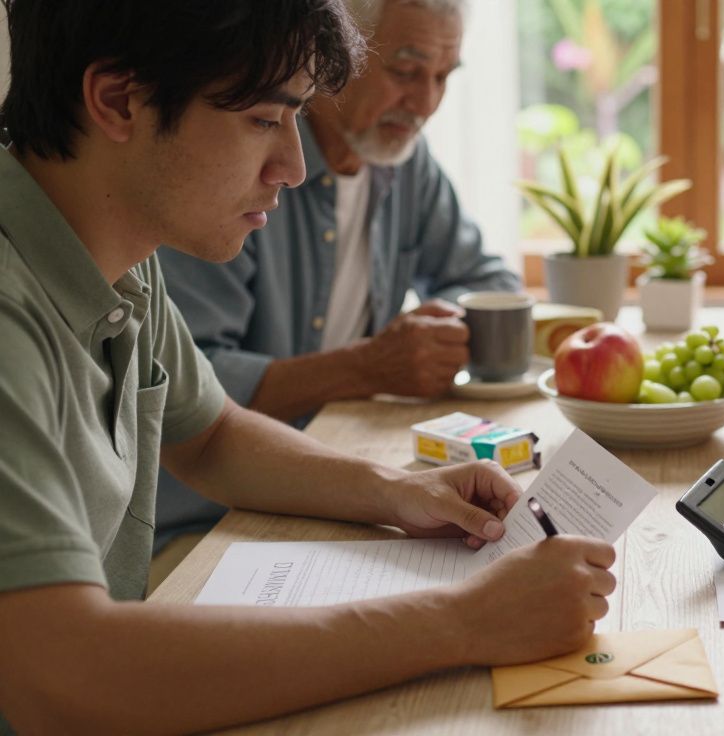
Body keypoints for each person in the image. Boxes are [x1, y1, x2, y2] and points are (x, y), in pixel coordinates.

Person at [0, 1, 613, 732]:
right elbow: (63, 676)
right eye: (264, 119)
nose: (293, 166)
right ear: (116, 100)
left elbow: (212, 436)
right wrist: (465, 620)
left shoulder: (116, 257)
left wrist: (396, 489)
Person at [153, 0, 520, 561]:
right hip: (211, 521)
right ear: (335, 58)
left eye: (443, 77)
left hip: (331, 481)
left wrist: (428, 333)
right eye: (405, 71)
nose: (425, 103)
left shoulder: (402, 162)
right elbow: (190, 390)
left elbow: (488, 280)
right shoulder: (229, 185)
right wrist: (368, 365)